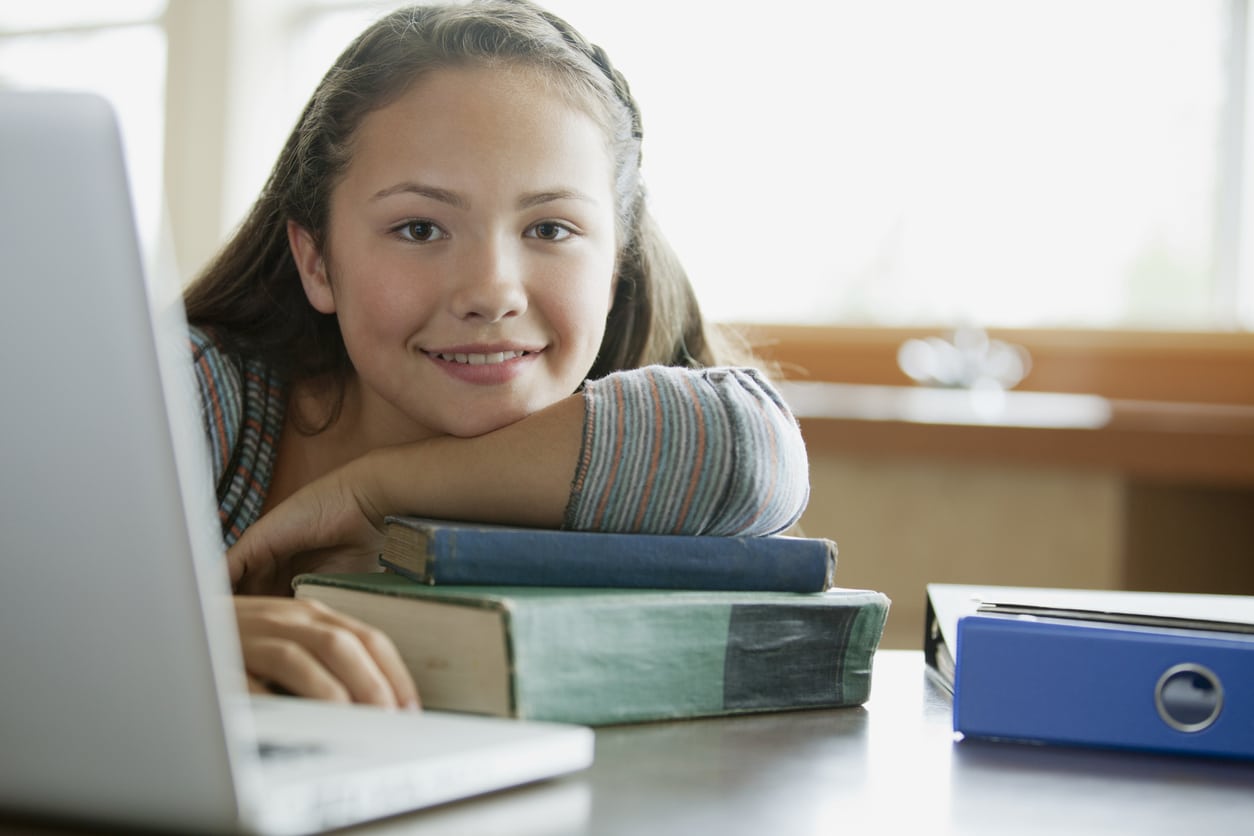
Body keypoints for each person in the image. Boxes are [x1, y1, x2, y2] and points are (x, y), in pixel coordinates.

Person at [182, 0, 810, 709]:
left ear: (615, 267)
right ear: (318, 261)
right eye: (420, 228)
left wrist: (375, 492)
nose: (491, 292)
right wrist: (171, 643)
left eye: (549, 227)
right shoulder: (185, 398)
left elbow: (755, 454)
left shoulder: (647, 422)